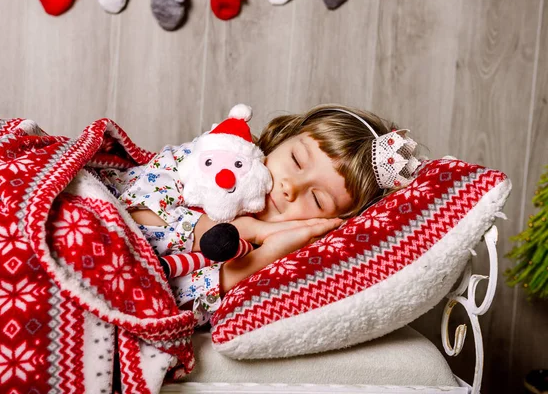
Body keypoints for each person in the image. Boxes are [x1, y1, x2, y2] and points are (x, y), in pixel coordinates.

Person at [109, 104, 420, 326]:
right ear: (284, 137)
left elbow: (171, 300)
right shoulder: (218, 155)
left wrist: (266, 252)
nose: (290, 187)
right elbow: (137, 223)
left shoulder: (282, 258)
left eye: (316, 198)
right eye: (297, 160)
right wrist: (249, 230)